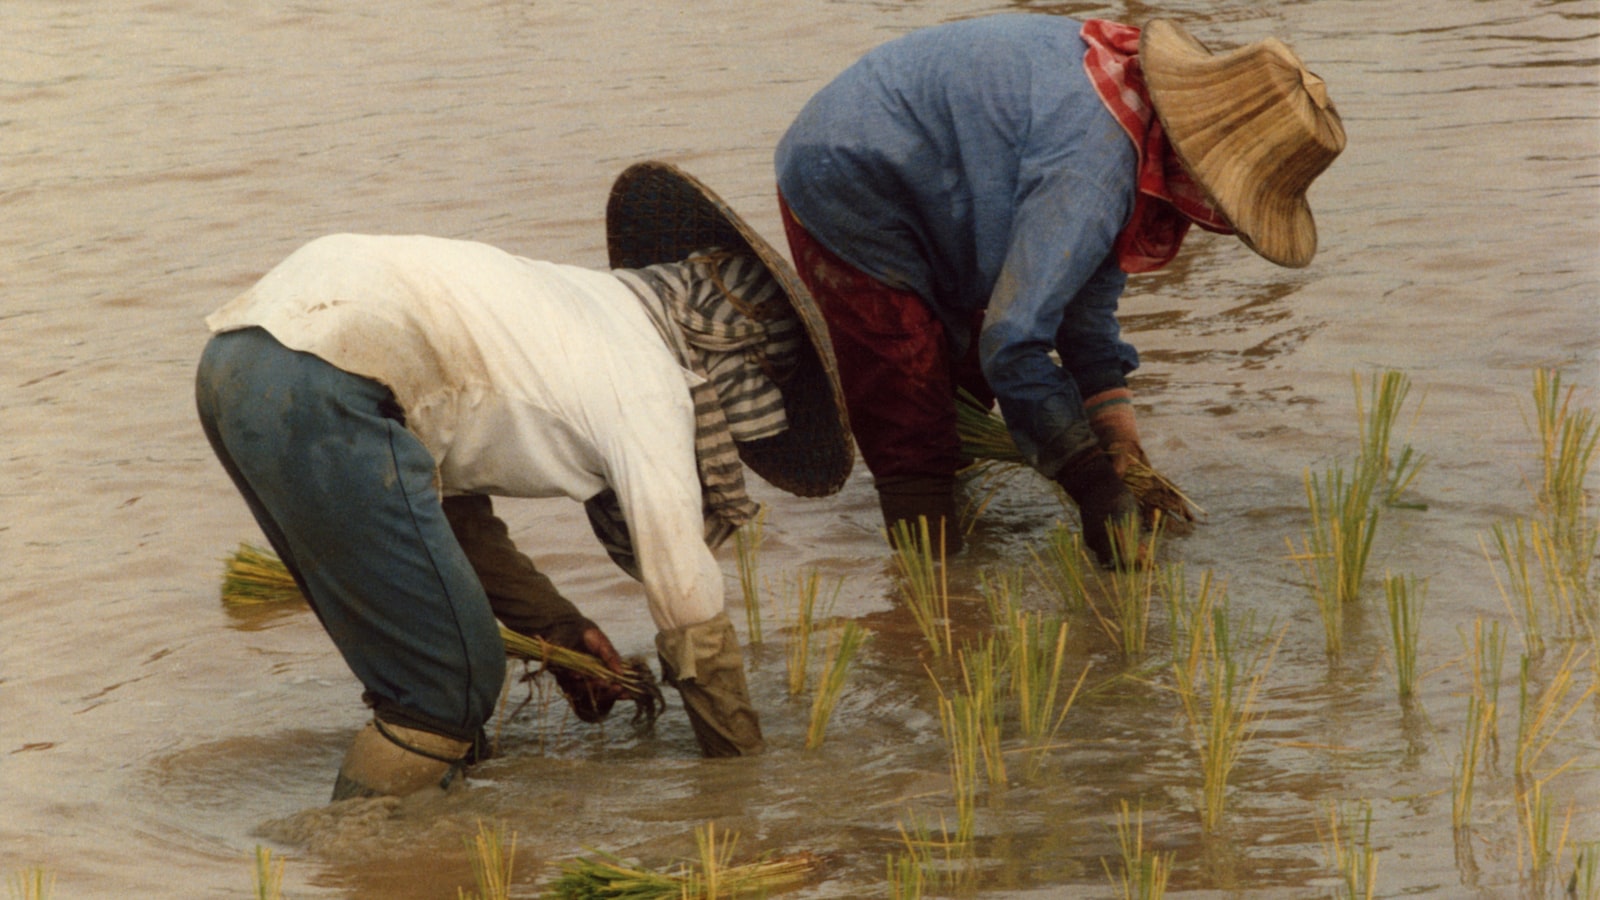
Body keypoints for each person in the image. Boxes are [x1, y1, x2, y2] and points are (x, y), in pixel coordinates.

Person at [195, 161, 853, 801]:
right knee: (447, 685)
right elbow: (684, 592)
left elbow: (446, 519)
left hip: (237, 361)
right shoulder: (651, 382)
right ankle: (345, 848)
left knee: (424, 650)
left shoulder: (573, 306)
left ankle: (411, 861)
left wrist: (561, 630)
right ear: (731, 357)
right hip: (325, 376)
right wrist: (742, 772)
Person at [775, 15, 1345, 560]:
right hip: (846, 166)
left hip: (930, 166)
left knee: (965, 382)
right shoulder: (1093, 167)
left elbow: (1083, 308)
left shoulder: (1135, 122)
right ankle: (932, 592)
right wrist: (1091, 485)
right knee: (909, 397)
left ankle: (965, 563)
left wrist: (1121, 442)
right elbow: (1015, 341)